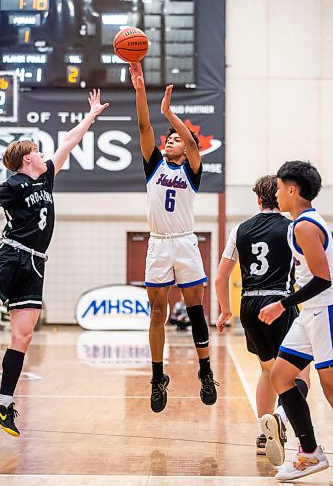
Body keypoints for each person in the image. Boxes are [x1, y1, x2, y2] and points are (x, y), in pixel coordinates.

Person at [0, 89, 109, 437]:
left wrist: (91, 116)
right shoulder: (12, 186)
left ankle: (3, 405)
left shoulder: (46, 176)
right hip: (10, 256)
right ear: (25, 158)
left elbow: (69, 143)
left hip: (35, 264)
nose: (43, 153)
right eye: (36, 150)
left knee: (24, 335)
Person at [129, 61, 218, 413]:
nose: (170, 140)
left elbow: (194, 145)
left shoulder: (193, 169)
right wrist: (140, 89)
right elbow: (143, 125)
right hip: (158, 243)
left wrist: (169, 111)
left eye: (176, 138)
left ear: (186, 147)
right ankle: (156, 377)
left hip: (184, 241)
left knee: (195, 309)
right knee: (156, 312)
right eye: (169, 138)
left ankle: (206, 371)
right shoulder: (154, 165)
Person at [215, 175, 309, 463]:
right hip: (279, 302)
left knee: (268, 371)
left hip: (249, 304)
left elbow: (220, 277)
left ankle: (263, 432)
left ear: (258, 199)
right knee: (301, 370)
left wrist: (224, 310)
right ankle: (281, 416)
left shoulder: (240, 229)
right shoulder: (292, 227)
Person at [258, 161, 333, 482]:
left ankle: (310, 453)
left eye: (278, 186)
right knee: (281, 375)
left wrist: (282, 304)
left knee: (331, 388)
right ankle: (310, 452)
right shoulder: (301, 223)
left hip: (324, 311)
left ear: (292, 190)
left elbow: (323, 279)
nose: (275, 192)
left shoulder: (305, 226)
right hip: (309, 314)